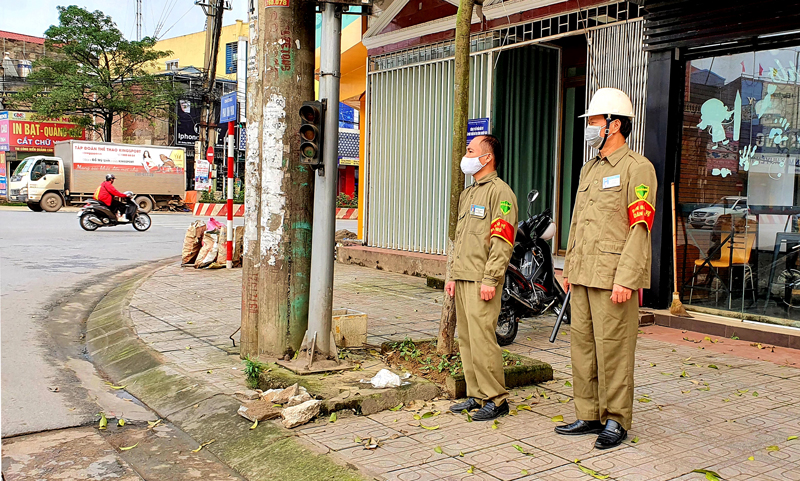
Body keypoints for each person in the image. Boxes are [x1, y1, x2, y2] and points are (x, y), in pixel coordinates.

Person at [557, 88, 657, 449]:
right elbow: (579, 222)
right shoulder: (590, 168)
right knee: (582, 347)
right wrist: (568, 269)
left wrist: (627, 279)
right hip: (583, 275)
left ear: (614, 125)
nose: (590, 127)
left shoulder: (637, 168)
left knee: (613, 349)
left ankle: (616, 419)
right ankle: (588, 413)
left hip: (614, 277)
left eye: (595, 121)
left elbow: (640, 227)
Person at [445, 134, 518, 421]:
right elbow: (462, 239)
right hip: (463, 276)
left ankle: (496, 399)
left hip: (481, 279)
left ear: (487, 158)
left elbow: (502, 242)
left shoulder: (500, 193)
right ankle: (477, 395)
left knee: (483, 339)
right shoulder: (469, 193)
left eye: (471, 150)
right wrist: (452, 276)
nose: (466, 155)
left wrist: (491, 279)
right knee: (466, 339)